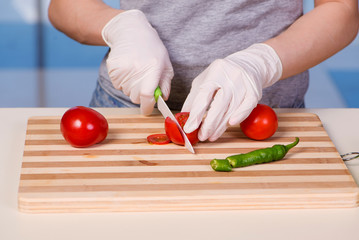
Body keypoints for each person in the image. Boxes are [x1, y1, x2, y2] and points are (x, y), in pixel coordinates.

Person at [48, 0, 359, 142]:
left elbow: (342, 9)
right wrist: (118, 25)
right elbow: (63, 6)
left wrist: (261, 62)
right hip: (127, 108)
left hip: (259, 115)